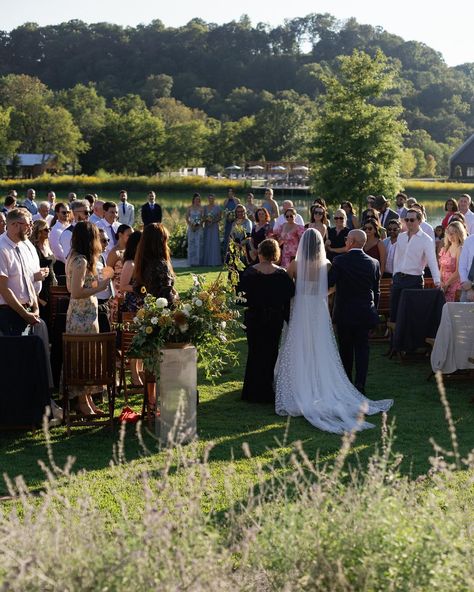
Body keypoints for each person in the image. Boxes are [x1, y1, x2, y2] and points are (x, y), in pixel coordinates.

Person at [275, 228, 392, 433]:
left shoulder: (295, 264)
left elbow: (287, 288)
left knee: (301, 345)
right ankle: (347, 385)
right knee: (324, 347)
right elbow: (330, 286)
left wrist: (300, 295)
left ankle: (300, 387)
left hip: (302, 309)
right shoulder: (328, 264)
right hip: (321, 311)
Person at [65, 221, 113, 416]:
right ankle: (83, 402)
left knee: (87, 357)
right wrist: (100, 288)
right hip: (81, 315)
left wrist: (99, 278)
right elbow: (75, 292)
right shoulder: (80, 261)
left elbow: (75, 286)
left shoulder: (74, 257)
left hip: (83, 312)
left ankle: (87, 400)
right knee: (84, 357)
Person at [239, 239, 295, 403]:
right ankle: (266, 391)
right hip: (274, 318)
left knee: (254, 353)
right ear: (275, 253)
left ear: (260, 253)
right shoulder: (282, 275)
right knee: (271, 353)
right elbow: (289, 295)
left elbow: (241, 298)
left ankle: (251, 392)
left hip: (254, 318)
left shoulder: (249, 273)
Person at [390, 208, 440, 322]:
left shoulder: (426, 240)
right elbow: (397, 258)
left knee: (411, 314)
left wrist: (437, 281)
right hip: (398, 279)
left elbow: (432, 261)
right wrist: (394, 276)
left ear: (419, 221)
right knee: (395, 312)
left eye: (412, 220)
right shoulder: (401, 236)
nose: (408, 222)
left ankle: (410, 339)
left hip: (414, 280)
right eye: (406, 220)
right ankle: (394, 339)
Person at [119, 230, 144, 387]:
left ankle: (140, 372)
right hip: (133, 306)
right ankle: (134, 376)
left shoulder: (139, 262)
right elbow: (122, 286)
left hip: (141, 306)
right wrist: (140, 288)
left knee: (142, 340)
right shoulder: (130, 263)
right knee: (135, 341)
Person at [133, 223, 177, 306]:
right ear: (160, 242)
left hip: (146, 310)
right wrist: (175, 297)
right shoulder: (160, 265)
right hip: (161, 312)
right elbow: (166, 296)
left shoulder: (142, 263)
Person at [31, 219, 57, 327]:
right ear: (39, 231)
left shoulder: (47, 245)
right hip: (42, 287)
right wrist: (38, 298)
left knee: (52, 317)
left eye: (49, 229)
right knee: (44, 317)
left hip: (52, 285)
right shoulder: (34, 248)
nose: (49, 231)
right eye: (46, 230)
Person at [106, 224, 132, 324]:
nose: (131, 238)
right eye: (129, 235)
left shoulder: (129, 251)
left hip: (128, 290)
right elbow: (106, 273)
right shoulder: (114, 252)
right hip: (117, 291)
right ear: (120, 235)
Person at [438, 221, 466, 302]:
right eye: (448, 232)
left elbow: (458, 272)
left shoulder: (460, 249)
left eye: (453, 233)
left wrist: (446, 285)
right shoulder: (445, 248)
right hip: (443, 285)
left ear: (459, 233)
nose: (450, 235)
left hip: (454, 286)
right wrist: (441, 282)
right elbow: (441, 268)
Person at [58, 199, 91, 264]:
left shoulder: (90, 229)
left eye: (89, 212)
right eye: (86, 212)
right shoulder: (67, 233)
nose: (89, 215)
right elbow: (70, 258)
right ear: (75, 213)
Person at [49, 202, 70, 277]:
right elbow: (59, 253)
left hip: (70, 263)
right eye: (64, 212)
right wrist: (71, 265)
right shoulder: (55, 230)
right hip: (62, 266)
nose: (67, 214)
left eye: (68, 212)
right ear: (57, 213)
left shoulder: (69, 227)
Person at [202, 194, 222, 266]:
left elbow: (220, 217)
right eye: (210, 198)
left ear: (214, 199)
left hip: (214, 227)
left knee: (214, 242)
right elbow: (203, 217)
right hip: (207, 227)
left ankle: (215, 261)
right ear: (208, 199)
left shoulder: (218, 208)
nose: (211, 200)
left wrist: (213, 221)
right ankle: (206, 261)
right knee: (207, 242)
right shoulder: (205, 207)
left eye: (212, 198)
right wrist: (207, 220)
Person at [186, 193, 204, 266]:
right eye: (196, 199)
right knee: (191, 244)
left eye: (199, 199)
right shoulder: (189, 208)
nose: (197, 200)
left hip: (199, 228)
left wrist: (198, 225)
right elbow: (187, 218)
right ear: (193, 199)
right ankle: (191, 262)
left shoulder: (201, 208)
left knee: (198, 244)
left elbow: (202, 218)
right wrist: (191, 225)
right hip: (191, 228)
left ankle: (198, 262)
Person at [222, 188, 240, 253]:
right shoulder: (225, 201)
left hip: (235, 222)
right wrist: (227, 216)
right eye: (229, 192)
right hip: (228, 222)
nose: (230, 193)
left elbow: (239, 211)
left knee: (234, 237)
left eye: (231, 192)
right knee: (227, 237)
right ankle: (225, 254)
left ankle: (234, 253)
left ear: (233, 193)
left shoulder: (237, 200)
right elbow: (224, 211)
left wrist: (234, 217)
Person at [459, 232, 474, 301]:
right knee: (463, 311)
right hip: (467, 288)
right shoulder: (469, 240)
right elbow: (462, 265)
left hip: (470, 285)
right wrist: (469, 288)